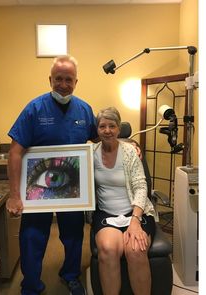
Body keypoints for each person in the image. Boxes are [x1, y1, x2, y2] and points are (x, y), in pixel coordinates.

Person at [6, 55, 97, 295]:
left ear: (76, 81)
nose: (63, 84)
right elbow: (15, 153)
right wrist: (14, 196)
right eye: (59, 79)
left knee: (73, 235)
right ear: (50, 80)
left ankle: (70, 275)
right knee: (32, 237)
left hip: (72, 190)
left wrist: (127, 145)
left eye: (69, 79)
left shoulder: (85, 110)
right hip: (37, 188)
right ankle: (32, 284)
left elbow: (100, 143)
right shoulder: (34, 109)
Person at [92, 107, 156, 295]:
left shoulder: (130, 152)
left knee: (136, 250)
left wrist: (135, 221)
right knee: (108, 249)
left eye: (112, 125)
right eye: (102, 126)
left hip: (135, 212)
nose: (107, 130)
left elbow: (141, 187)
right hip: (106, 213)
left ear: (119, 129)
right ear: (97, 130)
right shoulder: (90, 153)